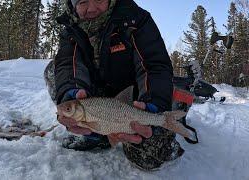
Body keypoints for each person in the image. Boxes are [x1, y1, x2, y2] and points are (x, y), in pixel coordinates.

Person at [46, 0, 184, 170]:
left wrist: (153, 101)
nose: (92, 8)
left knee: (150, 157)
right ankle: (98, 135)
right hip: (95, 98)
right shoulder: (71, 28)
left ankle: (166, 127)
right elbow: (68, 64)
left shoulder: (136, 19)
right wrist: (70, 92)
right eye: (82, 1)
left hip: (135, 100)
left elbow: (154, 65)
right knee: (53, 70)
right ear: (72, 4)